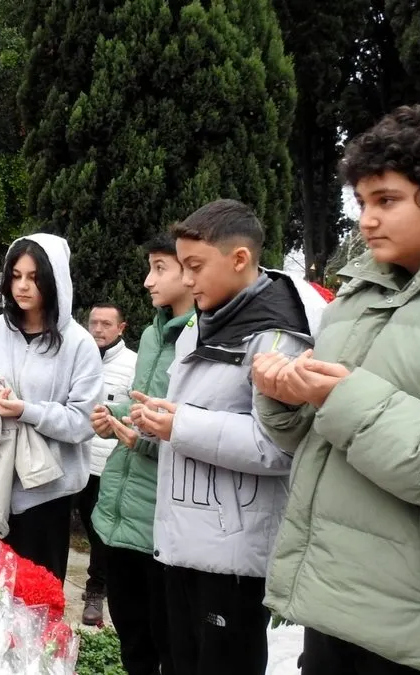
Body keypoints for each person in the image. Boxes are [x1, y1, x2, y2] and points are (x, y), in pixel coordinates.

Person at [254, 103, 420, 675]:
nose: (367, 221)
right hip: (333, 605)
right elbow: (313, 441)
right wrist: (284, 394)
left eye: (387, 201)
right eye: (363, 204)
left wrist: (345, 398)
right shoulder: (359, 296)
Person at [131, 200, 323, 675]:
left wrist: (180, 425)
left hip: (233, 553)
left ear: (240, 259)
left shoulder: (278, 337)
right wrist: (162, 416)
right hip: (183, 538)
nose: (187, 278)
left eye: (195, 266)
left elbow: (278, 445)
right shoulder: (203, 321)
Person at [0, 234, 103, 582]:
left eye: (34, 277)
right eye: (16, 275)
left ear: (55, 281)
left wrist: (27, 410)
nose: (23, 286)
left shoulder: (79, 344)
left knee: (37, 595)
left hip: (46, 494)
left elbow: (84, 421)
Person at [90, 234, 192, 675]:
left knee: (168, 642)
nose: (149, 280)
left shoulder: (204, 336)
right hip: (119, 510)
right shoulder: (153, 335)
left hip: (161, 521)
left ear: (192, 269)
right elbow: (145, 403)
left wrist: (143, 440)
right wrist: (112, 414)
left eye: (159, 268)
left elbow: (198, 427)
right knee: (131, 637)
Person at [78, 302, 136, 625]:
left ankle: (96, 591)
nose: (98, 329)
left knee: (100, 535)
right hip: (74, 461)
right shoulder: (78, 356)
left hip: (106, 467)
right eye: (93, 322)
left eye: (105, 324)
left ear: (121, 328)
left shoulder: (133, 365)